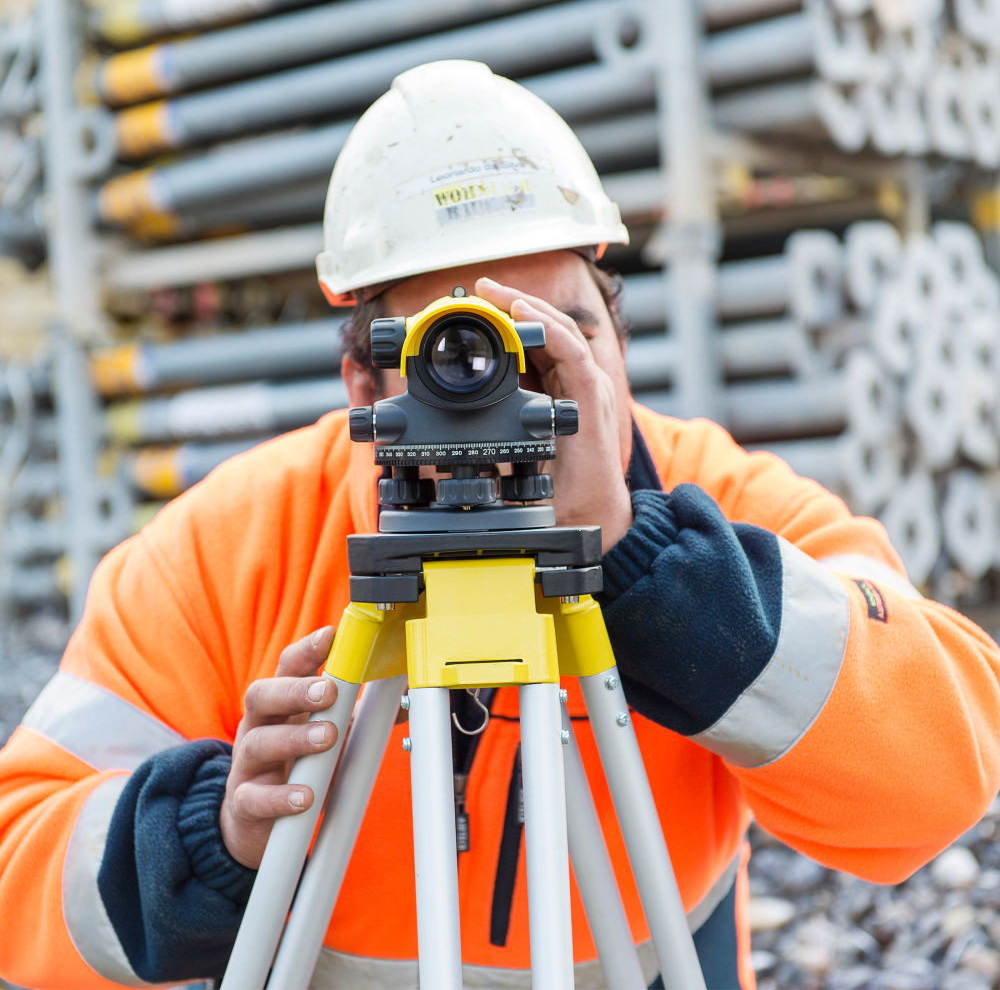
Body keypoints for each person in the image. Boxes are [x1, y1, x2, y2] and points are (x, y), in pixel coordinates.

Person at [2, 59, 999, 990]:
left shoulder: (721, 505)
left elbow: (944, 770)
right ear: (363, 384)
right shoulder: (231, 547)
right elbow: (18, 874)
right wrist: (208, 837)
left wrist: (655, 573)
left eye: (556, 337)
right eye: (457, 350)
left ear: (616, 346)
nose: (515, 385)